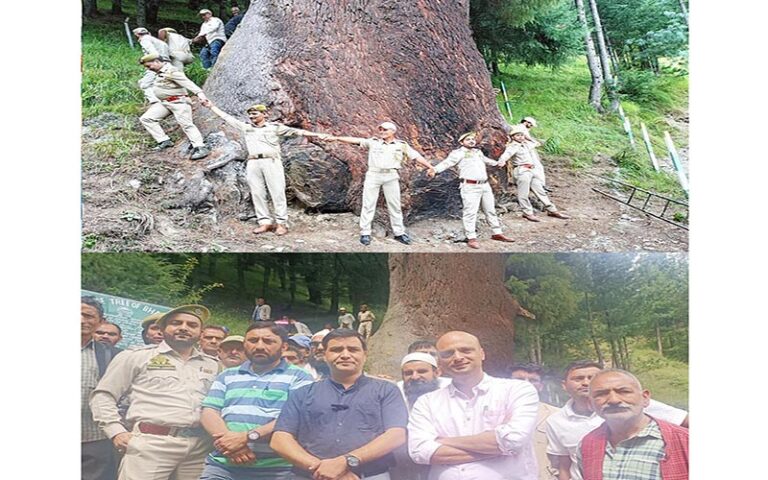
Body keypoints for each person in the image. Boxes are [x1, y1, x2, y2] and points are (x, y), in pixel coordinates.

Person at [90, 305, 219, 480]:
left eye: (191, 325)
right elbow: (103, 395)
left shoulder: (213, 364)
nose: (184, 327)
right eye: (176, 323)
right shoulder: (136, 356)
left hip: (200, 447)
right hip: (152, 444)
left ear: (200, 333)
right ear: (163, 328)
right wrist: (115, 431)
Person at [271, 329, 409, 480]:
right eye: (336, 350)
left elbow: (396, 435)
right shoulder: (303, 393)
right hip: (310, 474)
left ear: (365, 354)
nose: (345, 355)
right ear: (325, 355)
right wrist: (322, 469)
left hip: (369, 475)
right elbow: (280, 439)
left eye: (353, 349)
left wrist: (347, 461)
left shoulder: (386, 391)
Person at [408, 331, 540, 480]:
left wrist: (442, 442)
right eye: (448, 353)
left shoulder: (517, 390)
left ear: (482, 354)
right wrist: (496, 446)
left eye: (466, 350)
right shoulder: (427, 402)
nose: (458, 357)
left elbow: (513, 441)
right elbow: (420, 452)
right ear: (439, 362)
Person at [199, 322, 314, 480]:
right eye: (253, 341)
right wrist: (232, 445)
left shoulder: (300, 377)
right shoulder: (227, 375)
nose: (259, 346)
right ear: (245, 344)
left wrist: (246, 437)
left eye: (268, 341)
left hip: (278, 468)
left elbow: (295, 418)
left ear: (284, 347)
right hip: (224, 465)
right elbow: (209, 411)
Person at [202, 101, 331, 235]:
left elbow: (297, 132)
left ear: (264, 114)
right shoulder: (246, 127)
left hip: (271, 161)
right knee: (257, 193)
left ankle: (282, 223)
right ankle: (264, 222)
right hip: (253, 162)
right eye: (250, 115)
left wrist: (317, 135)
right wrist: (211, 106)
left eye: (255, 114)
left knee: (277, 192)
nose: (252, 117)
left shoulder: (274, 128)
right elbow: (227, 118)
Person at [545, 361, 689, 480]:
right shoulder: (587, 445)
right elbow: (564, 465)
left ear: (645, 398)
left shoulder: (684, 443)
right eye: (601, 394)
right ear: (592, 402)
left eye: (623, 391)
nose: (613, 400)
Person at [329, 122, 435, 246]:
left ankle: (399, 232)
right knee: (368, 203)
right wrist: (336, 138)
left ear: (392, 131)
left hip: (391, 175)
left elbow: (416, 156)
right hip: (374, 174)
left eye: (385, 130)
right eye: (380, 130)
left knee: (394, 205)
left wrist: (430, 166)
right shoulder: (374, 142)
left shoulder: (401, 145)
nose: (382, 132)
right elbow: (356, 140)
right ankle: (365, 232)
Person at [428, 132, 515, 249]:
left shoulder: (477, 152)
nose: (471, 141)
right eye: (468, 139)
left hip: (484, 185)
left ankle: (497, 233)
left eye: (473, 139)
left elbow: (486, 161)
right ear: (461, 142)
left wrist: (497, 163)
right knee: (470, 212)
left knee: (490, 210)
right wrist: (435, 169)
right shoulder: (458, 153)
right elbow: (447, 163)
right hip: (469, 186)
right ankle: (471, 237)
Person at [138, 54, 211, 160]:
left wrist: (200, 94)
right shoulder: (159, 73)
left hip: (178, 102)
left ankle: (200, 147)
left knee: (186, 125)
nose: (149, 69)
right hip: (164, 103)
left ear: (157, 62)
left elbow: (188, 83)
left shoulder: (171, 71)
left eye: (149, 66)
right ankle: (164, 140)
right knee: (147, 118)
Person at [82, 297, 121, 480]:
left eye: (88, 316)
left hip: (94, 437)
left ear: (100, 321)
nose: (82, 320)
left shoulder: (110, 354)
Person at [499, 125, 568, 222]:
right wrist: (502, 161)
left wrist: (527, 137)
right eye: (517, 135)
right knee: (524, 193)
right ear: (513, 137)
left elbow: (536, 143)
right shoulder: (514, 146)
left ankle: (551, 209)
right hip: (522, 170)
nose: (520, 137)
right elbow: (507, 154)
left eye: (522, 135)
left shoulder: (526, 144)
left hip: (531, 170)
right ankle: (527, 212)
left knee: (540, 190)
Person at [509, 363, 560, 480]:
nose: (526, 384)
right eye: (519, 379)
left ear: (541, 386)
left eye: (533, 380)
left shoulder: (556, 415)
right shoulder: (493, 414)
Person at [133, 27, 170, 105]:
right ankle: (163, 99)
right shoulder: (160, 42)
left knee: (144, 84)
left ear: (137, 35)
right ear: (148, 33)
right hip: (167, 64)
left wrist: (143, 60)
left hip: (157, 64)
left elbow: (153, 53)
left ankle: (155, 101)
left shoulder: (144, 40)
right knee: (159, 83)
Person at [519, 117, 547, 188]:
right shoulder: (521, 128)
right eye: (530, 125)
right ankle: (540, 184)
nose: (531, 127)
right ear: (526, 122)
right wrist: (534, 141)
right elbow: (526, 137)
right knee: (537, 167)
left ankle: (539, 184)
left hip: (527, 150)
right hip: (526, 151)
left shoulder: (523, 129)